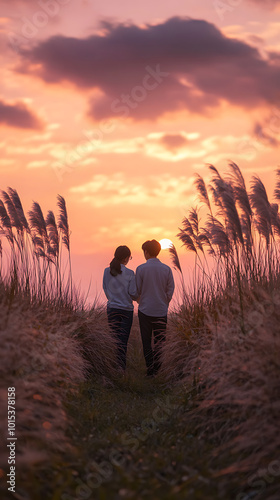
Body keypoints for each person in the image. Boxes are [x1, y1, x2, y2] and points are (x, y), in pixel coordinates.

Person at [136, 239, 175, 377]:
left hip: (145, 310)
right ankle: (157, 369)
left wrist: (139, 300)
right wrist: (165, 301)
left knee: (146, 340)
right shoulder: (166, 269)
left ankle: (150, 369)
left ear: (146, 252)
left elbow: (137, 290)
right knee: (160, 341)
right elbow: (170, 289)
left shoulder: (140, 269)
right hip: (161, 310)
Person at [103, 245, 138, 373]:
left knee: (113, 339)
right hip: (126, 310)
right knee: (123, 340)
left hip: (112, 308)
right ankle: (120, 369)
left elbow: (105, 289)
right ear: (125, 258)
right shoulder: (129, 273)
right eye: (129, 257)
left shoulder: (107, 271)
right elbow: (133, 293)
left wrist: (113, 298)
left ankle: (112, 366)